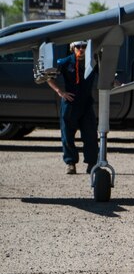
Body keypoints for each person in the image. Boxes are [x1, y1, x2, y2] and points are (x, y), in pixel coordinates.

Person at [45, 41, 99, 174]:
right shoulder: (65, 62)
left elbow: (107, 75)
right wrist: (60, 92)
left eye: (84, 46)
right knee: (67, 135)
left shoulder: (93, 62)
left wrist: (116, 82)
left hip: (86, 104)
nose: (81, 49)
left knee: (90, 134)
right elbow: (48, 77)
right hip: (70, 104)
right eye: (78, 47)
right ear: (72, 48)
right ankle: (70, 163)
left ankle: (92, 163)